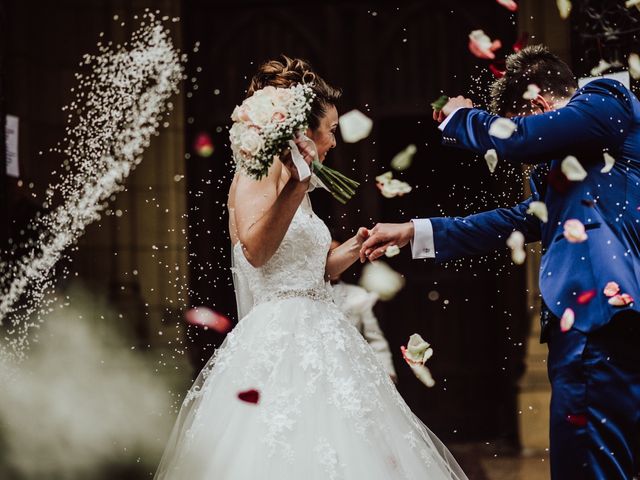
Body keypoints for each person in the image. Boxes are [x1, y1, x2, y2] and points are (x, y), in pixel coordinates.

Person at [154, 56, 467, 480]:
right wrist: (297, 184)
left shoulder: (299, 185)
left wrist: (357, 245)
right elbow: (257, 252)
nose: (335, 142)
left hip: (324, 328)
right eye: (331, 131)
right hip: (280, 337)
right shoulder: (256, 174)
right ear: (303, 130)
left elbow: (313, 272)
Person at [361, 45, 640, 480]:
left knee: (588, 466)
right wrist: (417, 230)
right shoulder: (563, 165)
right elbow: (519, 219)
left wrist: (459, 116)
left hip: (597, 318)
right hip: (612, 322)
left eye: (523, 117)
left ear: (539, 103)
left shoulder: (605, 98)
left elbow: (520, 137)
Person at [329, 239, 397, 382]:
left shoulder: (358, 295)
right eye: (328, 254)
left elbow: (374, 337)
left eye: (338, 253)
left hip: (353, 368)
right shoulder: (304, 295)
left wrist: (387, 369)